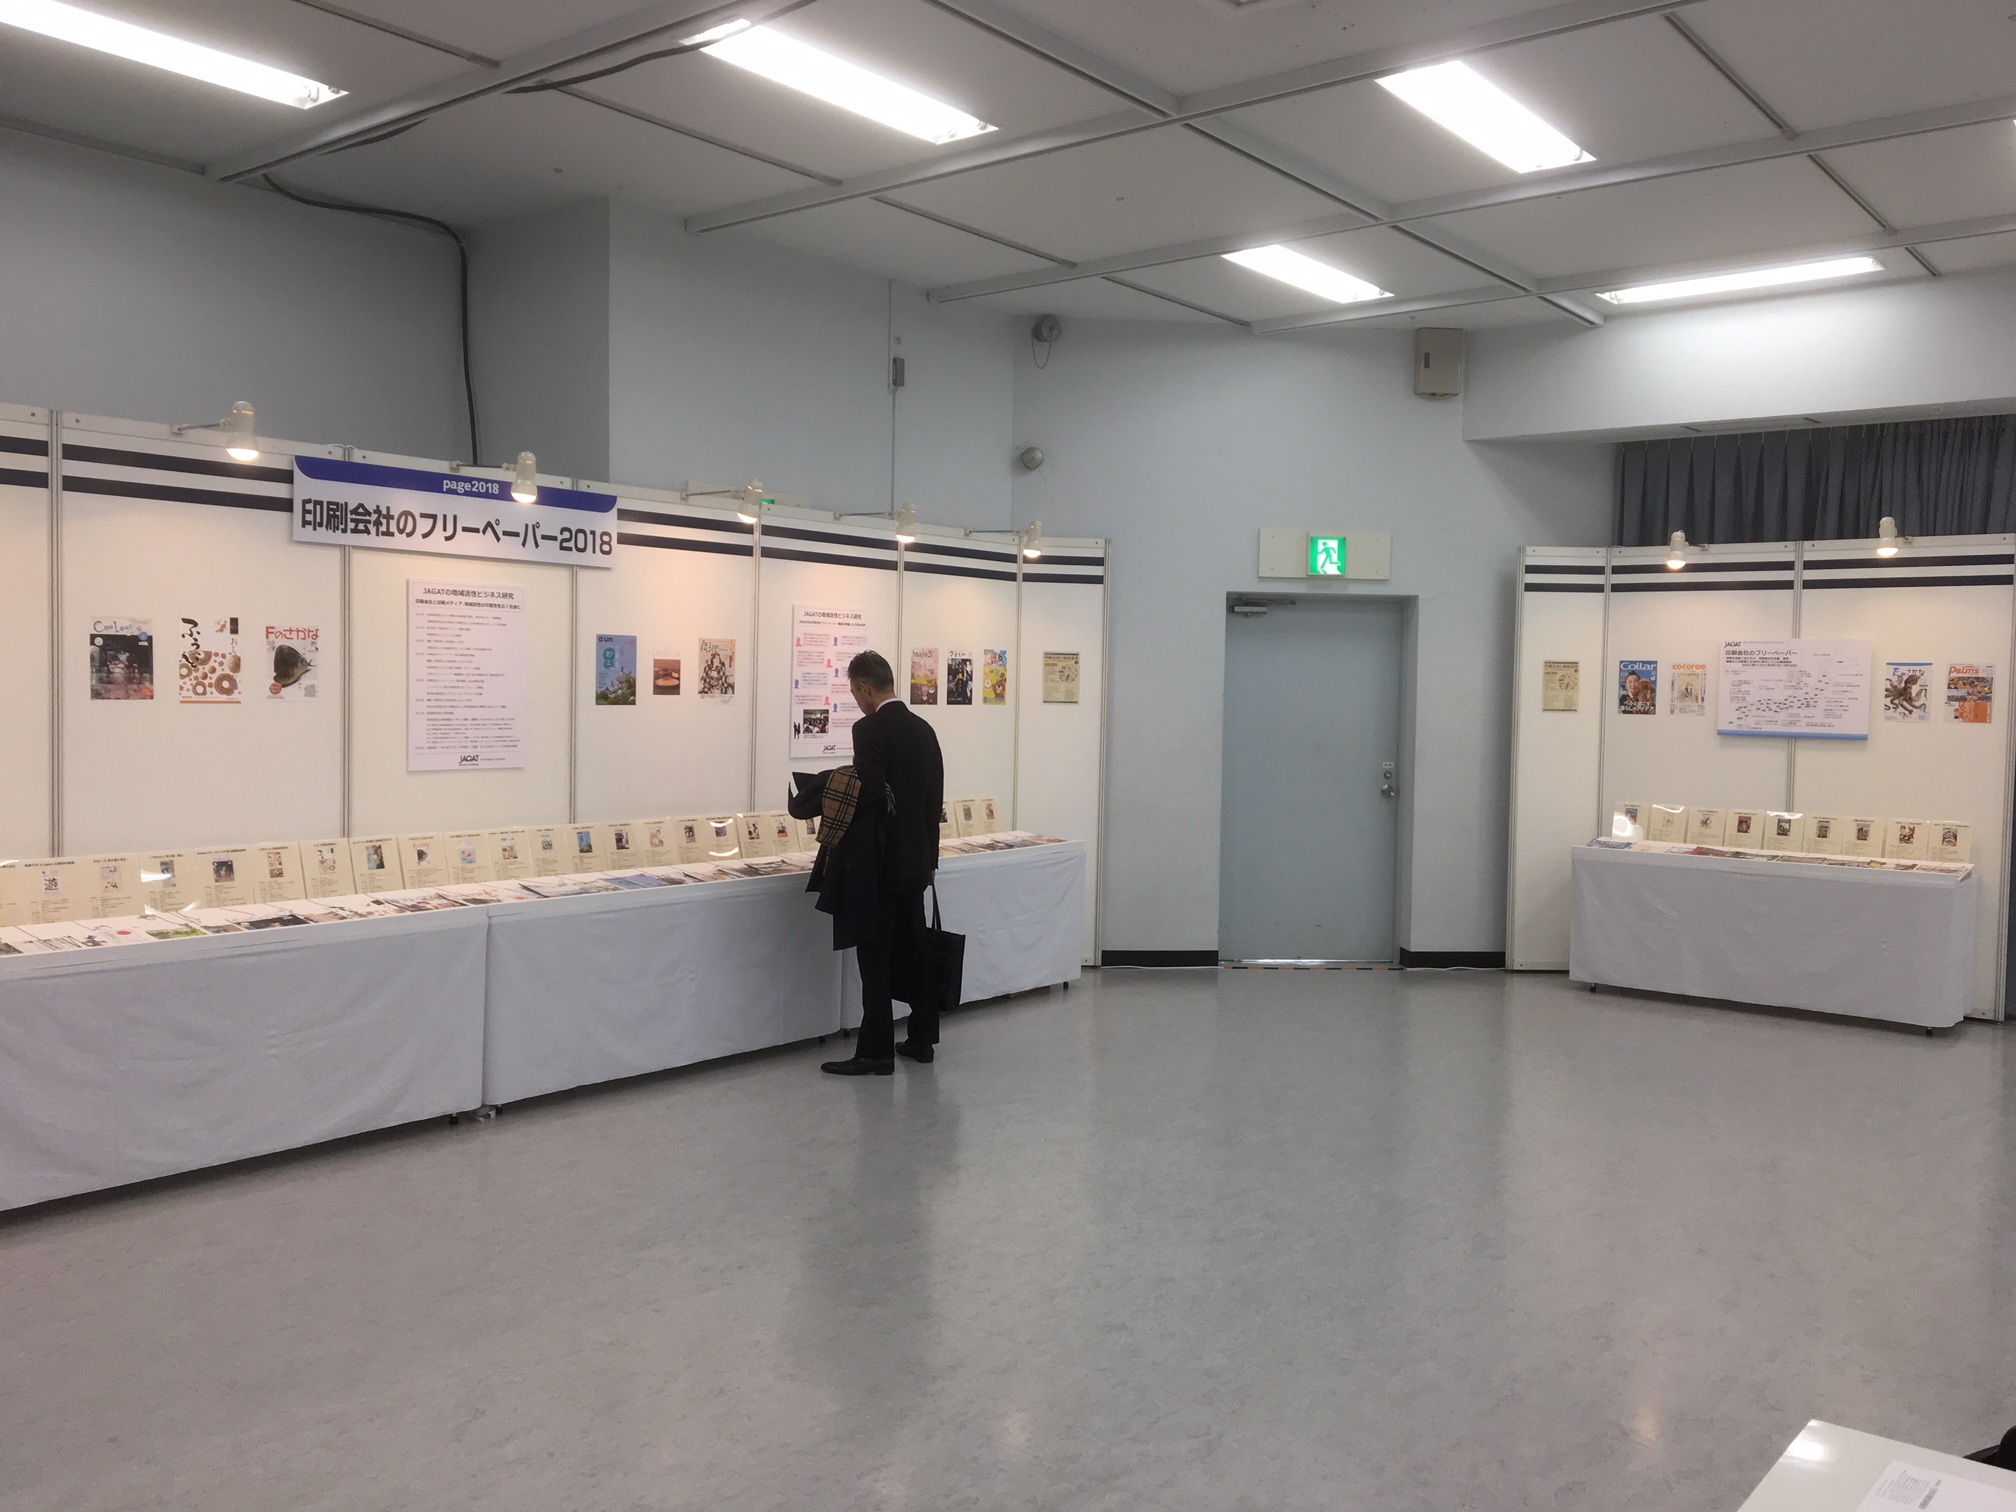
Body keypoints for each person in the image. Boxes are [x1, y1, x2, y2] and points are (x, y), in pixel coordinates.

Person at [817, 650, 945, 1077]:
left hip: (880, 863)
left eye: (855, 694)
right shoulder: (924, 729)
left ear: (865, 689)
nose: (857, 702)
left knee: (874, 956)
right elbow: (933, 802)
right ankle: (922, 1040)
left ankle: (876, 1052)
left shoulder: (868, 729)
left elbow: (871, 794)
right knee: (916, 948)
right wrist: (930, 858)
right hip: (917, 862)